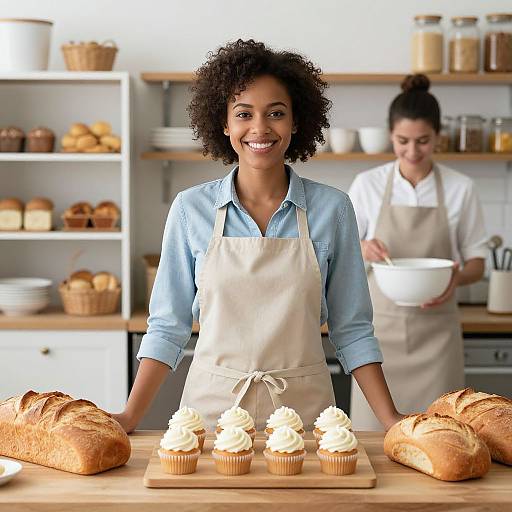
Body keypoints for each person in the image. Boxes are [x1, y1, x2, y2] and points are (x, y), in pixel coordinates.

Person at [113, 39, 402, 433]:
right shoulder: (190, 209)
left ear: (296, 121)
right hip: (210, 417)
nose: (260, 128)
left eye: (276, 113)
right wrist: (130, 416)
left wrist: (391, 420)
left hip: (307, 420)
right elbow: (168, 326)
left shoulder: (333, 210)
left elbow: (351, 329)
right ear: (225, 123)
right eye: (244, 113)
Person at [348, 74, 487, 431]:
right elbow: (340, 252)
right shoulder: (368, 185)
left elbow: (477, 263)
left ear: (438, 136)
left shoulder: (461, 188)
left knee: (444, 435)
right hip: (377, 339)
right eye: (402, 141)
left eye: (423, 141)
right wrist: (361, 246)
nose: (412, 152)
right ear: (390, 135)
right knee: (374, 442)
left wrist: (457, 275)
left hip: (437, 338)